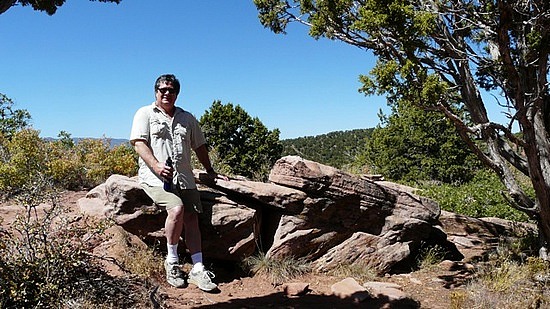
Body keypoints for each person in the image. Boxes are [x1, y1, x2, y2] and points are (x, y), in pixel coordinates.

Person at [130, 74, 222, 291]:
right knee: (177, 208)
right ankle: (172, 262)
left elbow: (199, 146)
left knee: (192, 218)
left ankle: (198, 268)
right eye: (162, 89)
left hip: (185, 177)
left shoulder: (187, 118)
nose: (166, 93)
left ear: (177, 93)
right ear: (155, 92)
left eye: (171, 90)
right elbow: (139, 144)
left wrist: (210, 171)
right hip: (155, 178)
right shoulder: (144, 113)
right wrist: (156, 166)